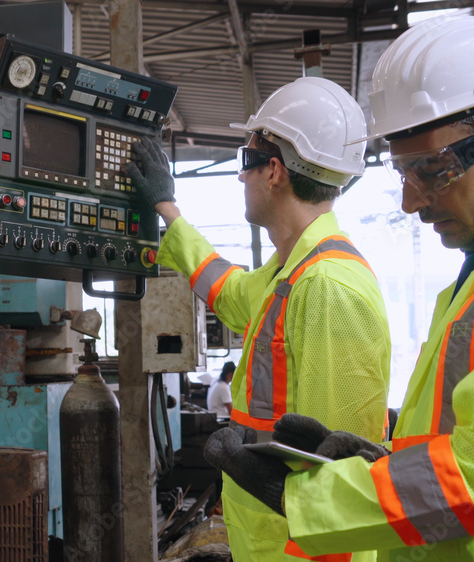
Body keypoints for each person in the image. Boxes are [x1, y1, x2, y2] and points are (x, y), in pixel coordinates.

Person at [204, 15, 474, 560]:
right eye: (403, 174)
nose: (410, 202)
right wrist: (383, 459)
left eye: (433, 171)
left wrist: (302, 500)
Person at [127, 77, 391, 561]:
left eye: (244, 161)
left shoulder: (329, 288)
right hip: (265, 542)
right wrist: (168, 210)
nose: (240, 177)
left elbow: (341, 482)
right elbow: (226, 291)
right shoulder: (290, 274)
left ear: (273, 171)